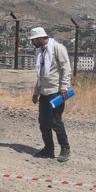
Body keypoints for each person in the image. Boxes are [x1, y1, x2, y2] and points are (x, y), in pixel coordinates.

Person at [29, 27, 71, 162]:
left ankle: (65, 148)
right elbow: (40, 74)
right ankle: (48, 149)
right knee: (43, 122)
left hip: (56, 92)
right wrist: (36, 92)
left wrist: (64, 87)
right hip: (44, 93)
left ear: (40, 38)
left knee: (55, 121)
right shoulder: (40, 52)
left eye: (33, 40)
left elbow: (66, 69)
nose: (32, 42)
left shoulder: (58, 48)